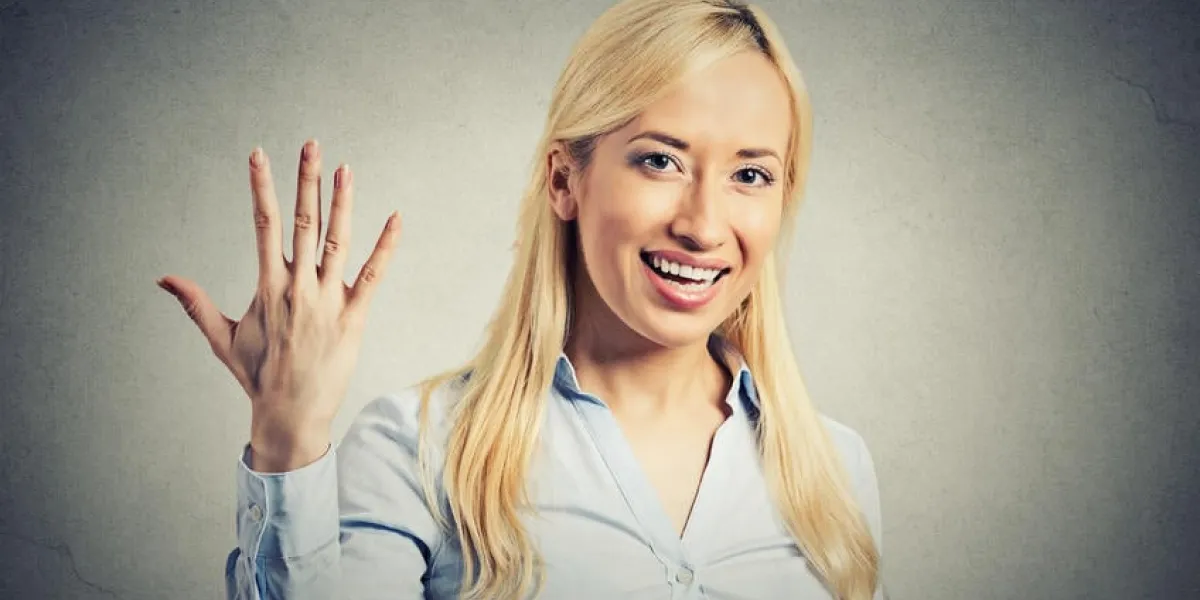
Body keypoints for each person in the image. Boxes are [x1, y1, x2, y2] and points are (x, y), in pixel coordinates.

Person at [157, 0, 884, 598]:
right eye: (659, 160)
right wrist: (288, 441)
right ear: (565, 181)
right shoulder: (419, 451)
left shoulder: (835, 470)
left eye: (750, 175)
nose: (701, 225)